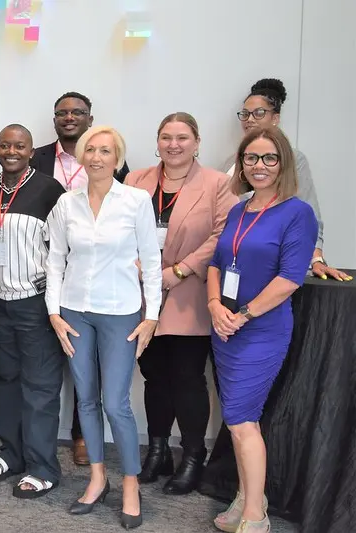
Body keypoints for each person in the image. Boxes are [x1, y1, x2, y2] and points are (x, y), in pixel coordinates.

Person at [46, 126, 161, 528]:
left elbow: (151, 259)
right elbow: (55, 260)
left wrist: (152, 316)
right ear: (80, 156)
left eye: (105, 150)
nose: (96, 156)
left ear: (117, 157)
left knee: (116, 403)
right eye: (89, 149)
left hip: (121, 312)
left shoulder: (135, 200)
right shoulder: (66, 203)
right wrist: (54, 313)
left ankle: (131, 483)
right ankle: (98, 477)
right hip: (74, 312)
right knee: (86, 400)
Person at [208, 127, 316, 533]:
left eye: (269, 158)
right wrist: (215, 305)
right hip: (225, 327)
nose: (259, 166)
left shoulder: (297, 213)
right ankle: (247, 496)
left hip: (261, 330)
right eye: (251, 158)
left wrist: (243, 315)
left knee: (241, 420)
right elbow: (218, 263)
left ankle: (256, 515)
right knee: (239, 420)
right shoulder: (239, 208)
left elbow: (289, 279)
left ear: (283, 163)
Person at [125, 113, 238, 495]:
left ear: (197, 142)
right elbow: (120, 227)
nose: (174, 144)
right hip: (141, 294)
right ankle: (158, 452)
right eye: (166, 137)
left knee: (188, 379)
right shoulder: (135, 180)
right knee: (154, 375)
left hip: (189, 293)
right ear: (157, 142)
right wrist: (138, 266)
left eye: (182, 137)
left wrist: (182, 270)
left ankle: (192, 457)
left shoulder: (218, 184)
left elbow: (224, 235)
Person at [29, 91, 129, 464]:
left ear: (90, 118)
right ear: (54, 119)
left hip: (96, 275)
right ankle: (39, 435)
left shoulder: (111, 158)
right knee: (50, 356)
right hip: (45, 268)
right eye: (62, 113)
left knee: (89, 366)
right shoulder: (35, 157)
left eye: (78, 112)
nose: (69, 117)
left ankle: (81, 436)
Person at [0, 124, 65, 498]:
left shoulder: (49, 190)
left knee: (40, 386)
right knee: (6, 380)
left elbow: (62, 251)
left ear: (31, 151)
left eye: (20, 146)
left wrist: (55, 303)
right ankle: (12, 453)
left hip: (35, 304)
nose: (12, 151)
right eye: (5, 145)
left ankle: (43, 466)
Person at [220, 78, 349, 282]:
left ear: (275, 118)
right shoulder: (231, 161)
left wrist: (316, 259)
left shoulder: (294, 158)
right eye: (245, 114)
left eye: (259, 113)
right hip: (230, 257)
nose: (249, 119)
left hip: (268, 262)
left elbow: (309, 212)